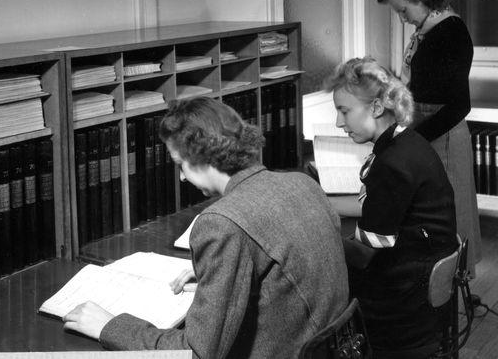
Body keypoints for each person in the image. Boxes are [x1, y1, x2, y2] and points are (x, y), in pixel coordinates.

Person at [63, 96, 349, 358]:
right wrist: (224, 274)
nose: (182, 178)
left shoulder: (220, 223)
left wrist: (110, 326)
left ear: (201, 156)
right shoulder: (302, 183)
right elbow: (283, 268)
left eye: (180, 164)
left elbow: (197, 352)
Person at [325, 57, 458, 357]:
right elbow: (376, 204)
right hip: (424, 275)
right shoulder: (406, 141)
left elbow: (367, 250)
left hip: (405, 299)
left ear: (375, 107)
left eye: (344, 111)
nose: (338, 123)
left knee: (323, 278)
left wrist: (324, 239)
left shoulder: (392, 163)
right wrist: (322, 203)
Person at [377, 0, 481, 272]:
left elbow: (459, 105)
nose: (402, 19)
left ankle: (452, 281)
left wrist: (414, 139)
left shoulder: (450, 32)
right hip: (427, 129)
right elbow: (423, 85)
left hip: (443, 134)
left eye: (403, 11)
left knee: (451, 215)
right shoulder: (428, 30)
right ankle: (436, 281)